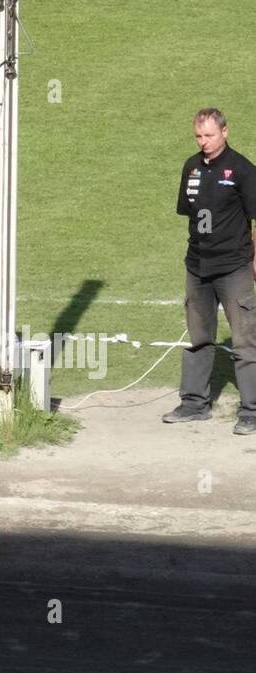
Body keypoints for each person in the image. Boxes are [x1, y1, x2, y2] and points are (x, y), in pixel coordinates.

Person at [162, 108, 256, 434]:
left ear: (225, 132)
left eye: (209, 136)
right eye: (198, 136)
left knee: (245, 341)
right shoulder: (191, 168)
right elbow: (189, 214)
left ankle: (251, 412)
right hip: (197, 267)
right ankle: (193, 404)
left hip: (233, 268)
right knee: (199, 338)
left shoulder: (242, 170)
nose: (203, 142)